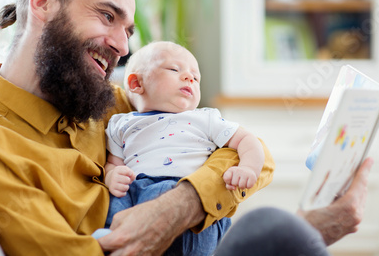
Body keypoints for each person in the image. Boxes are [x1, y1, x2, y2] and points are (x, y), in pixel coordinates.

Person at [0, 0, 371, 255]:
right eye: (108, 16)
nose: (121, 47)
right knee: (277, 233)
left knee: (274, 232)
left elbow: (251, 153)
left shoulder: (114, 103)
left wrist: (179, 205)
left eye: (127, 30)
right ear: (43, 3)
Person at [98, 41, 265, 255]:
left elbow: (248, 140)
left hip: (188, 194)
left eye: (196, 78)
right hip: (137, 190)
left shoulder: (205, 118)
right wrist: (112, 176)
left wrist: (249, 168)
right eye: (174, 69)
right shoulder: (121, 123)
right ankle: (110, 241)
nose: (189, 78)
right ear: (136, 83)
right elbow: (113, 162)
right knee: (116, 199)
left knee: (202, 229)